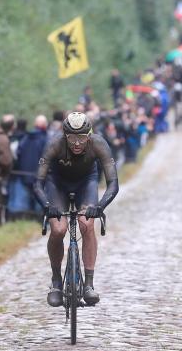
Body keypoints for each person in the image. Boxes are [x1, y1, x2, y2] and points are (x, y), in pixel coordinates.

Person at [34, 112, 119, 307]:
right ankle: (56, 282)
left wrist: (100, 206)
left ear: (89, 135)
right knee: (58, 229)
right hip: (57, 184)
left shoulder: (99, 144)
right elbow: (38, 183)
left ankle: (88, 284)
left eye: (81, 137)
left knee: (86, 225)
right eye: (72, 138)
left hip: (86, 182)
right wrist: (47, 206)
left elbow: (113, 184)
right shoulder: (55, 144)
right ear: (65, 135)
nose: (77, 143)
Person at [7, 115, 47, 221]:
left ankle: (26, 220)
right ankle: (38, 220)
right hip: (38, 175)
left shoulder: (25, 138)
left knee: (25, 201)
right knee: (39, 199)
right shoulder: (45, 139)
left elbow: (18, 154)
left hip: (23, 174)